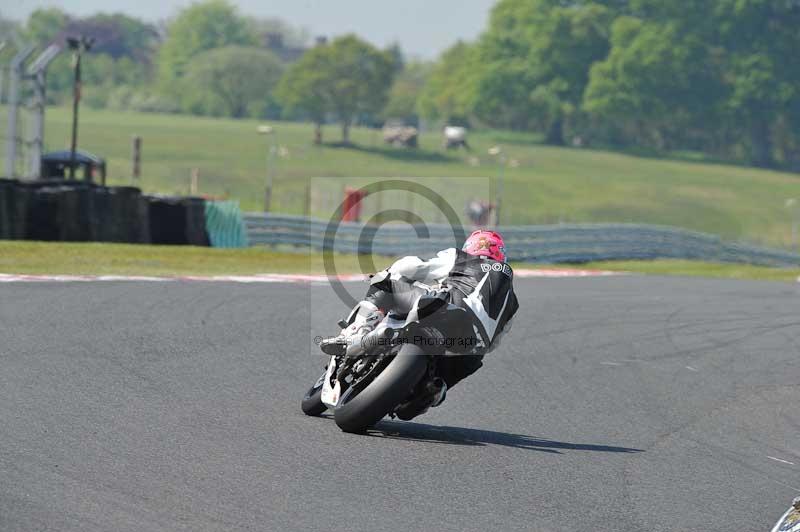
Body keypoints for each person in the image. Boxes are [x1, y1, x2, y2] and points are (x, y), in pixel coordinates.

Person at [320, 230, 519, 419]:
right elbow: (494, 344)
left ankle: (354, 332)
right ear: (501, 255)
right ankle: (432, 391)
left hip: (445, 312)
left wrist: (394, 269)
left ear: (472, 247)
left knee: (387, 281)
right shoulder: (512, 301)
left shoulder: (461, 257)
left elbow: (412, 268)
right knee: (454, 371)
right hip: (471, 350)